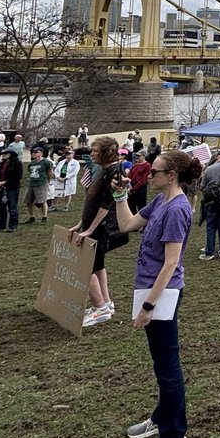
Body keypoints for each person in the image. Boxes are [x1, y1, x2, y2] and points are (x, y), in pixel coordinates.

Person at [116, 149, 198, 438]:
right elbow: (126, 224)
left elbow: (171, 263)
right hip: (148, 289)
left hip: (161, 294)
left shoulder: (177, 209)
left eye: (155, 172)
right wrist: (120, 193)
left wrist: (149, 305)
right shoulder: (160, 202)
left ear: (172, 175)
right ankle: (162, 417)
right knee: (161, 363)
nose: (150, 176)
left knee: (168, 368)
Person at [69, 136, 122, 329]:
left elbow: (107, 204)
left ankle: (99, 307)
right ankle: (105, 302)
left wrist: (90, 229)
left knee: (86, 265)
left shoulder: (114, 172)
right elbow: (91, 203)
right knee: (98, 264)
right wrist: (80, 224)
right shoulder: (102, 170)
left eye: (95, 151)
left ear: (107, 152)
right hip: (92, 225)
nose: (91, 154)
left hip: (104, 227)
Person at [0, 151, 23, 232]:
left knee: (12, 207)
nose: (3, 155)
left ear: (11, 155)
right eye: (3, 154)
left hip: (12, 187)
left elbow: (18, 176)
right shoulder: (0, 165)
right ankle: (1, 225)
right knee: (1, 207)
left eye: (6, 154)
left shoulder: (17, 164)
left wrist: (4, 182)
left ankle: (12, 226)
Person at [23, 146, 53, 224]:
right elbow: (30, 172)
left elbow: (50, 172)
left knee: (42, 201)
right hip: (32, 183)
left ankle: (44, 217)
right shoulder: (31, 163)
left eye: (36, 152)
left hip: (41, 183)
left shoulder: (46, 162)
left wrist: (48, 181)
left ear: (41, 154)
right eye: (33, 152)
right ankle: (31, 217)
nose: (33, 153)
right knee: (28, 201)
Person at [54, 148, 82, 213]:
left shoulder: (75, 163)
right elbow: (56, 170)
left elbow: (75, 172)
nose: (67, 155)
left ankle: (66, 206)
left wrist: (66, 178)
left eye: (69, 154)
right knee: (56, 193)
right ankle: (54, 206)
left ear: (73, 154)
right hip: (59, 179)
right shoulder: (62, 161)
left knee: (68, 194)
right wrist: (58, 177)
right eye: (66, 153)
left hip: (69, 180)